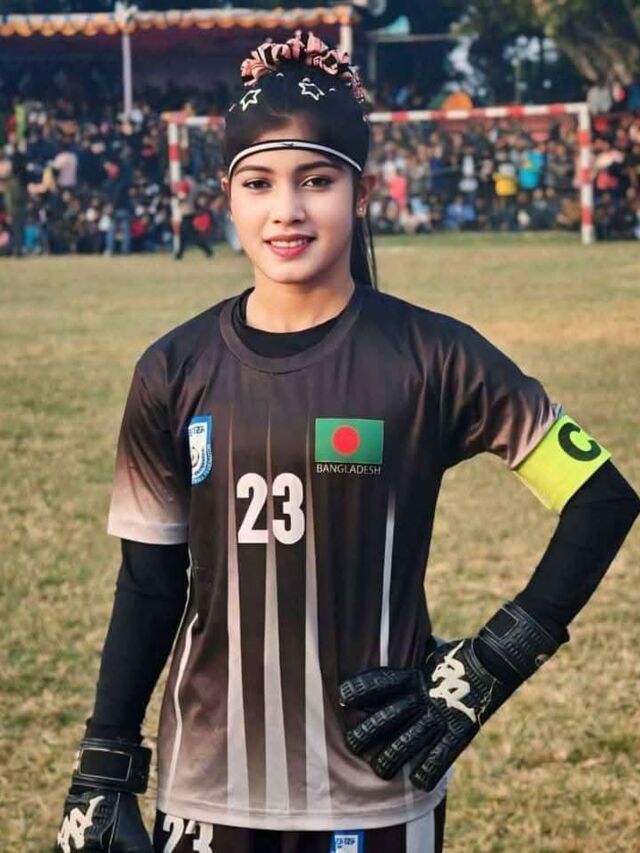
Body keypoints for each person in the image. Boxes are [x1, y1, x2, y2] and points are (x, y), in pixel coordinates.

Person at [54, 31, 639, 853]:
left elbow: (601, 498)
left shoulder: (434, 357)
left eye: (317, 180)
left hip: (378, 790)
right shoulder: (172, 368)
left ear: (361, 192)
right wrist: (103, 764)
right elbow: (150, 585)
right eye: (259, 182)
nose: (286, 210)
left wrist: (488, 666)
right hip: (209, 788)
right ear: (227, 197)